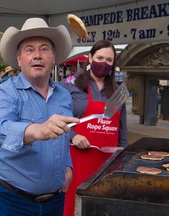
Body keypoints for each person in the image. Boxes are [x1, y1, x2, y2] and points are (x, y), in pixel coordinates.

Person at [0, 17, 79, 216]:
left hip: (54, 200)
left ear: (53, 57)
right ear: (19, 59)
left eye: (44, 49)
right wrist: (35, 130)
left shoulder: (63, 95)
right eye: (29, 49)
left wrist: (67, 165)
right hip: (9, 200)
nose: (37, 55)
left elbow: (63, 135)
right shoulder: (6, 92)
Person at [59, 40, 128, 216]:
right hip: (77, 160)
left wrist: (123, 159)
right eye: (99, 57)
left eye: (109, 60)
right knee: (75, 205)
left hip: (108, 164)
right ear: (90, 58)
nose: (104, 63)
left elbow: (122, 131)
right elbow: (55, 118)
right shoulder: (70, 85)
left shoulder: (118, 91)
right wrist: (72, 135)